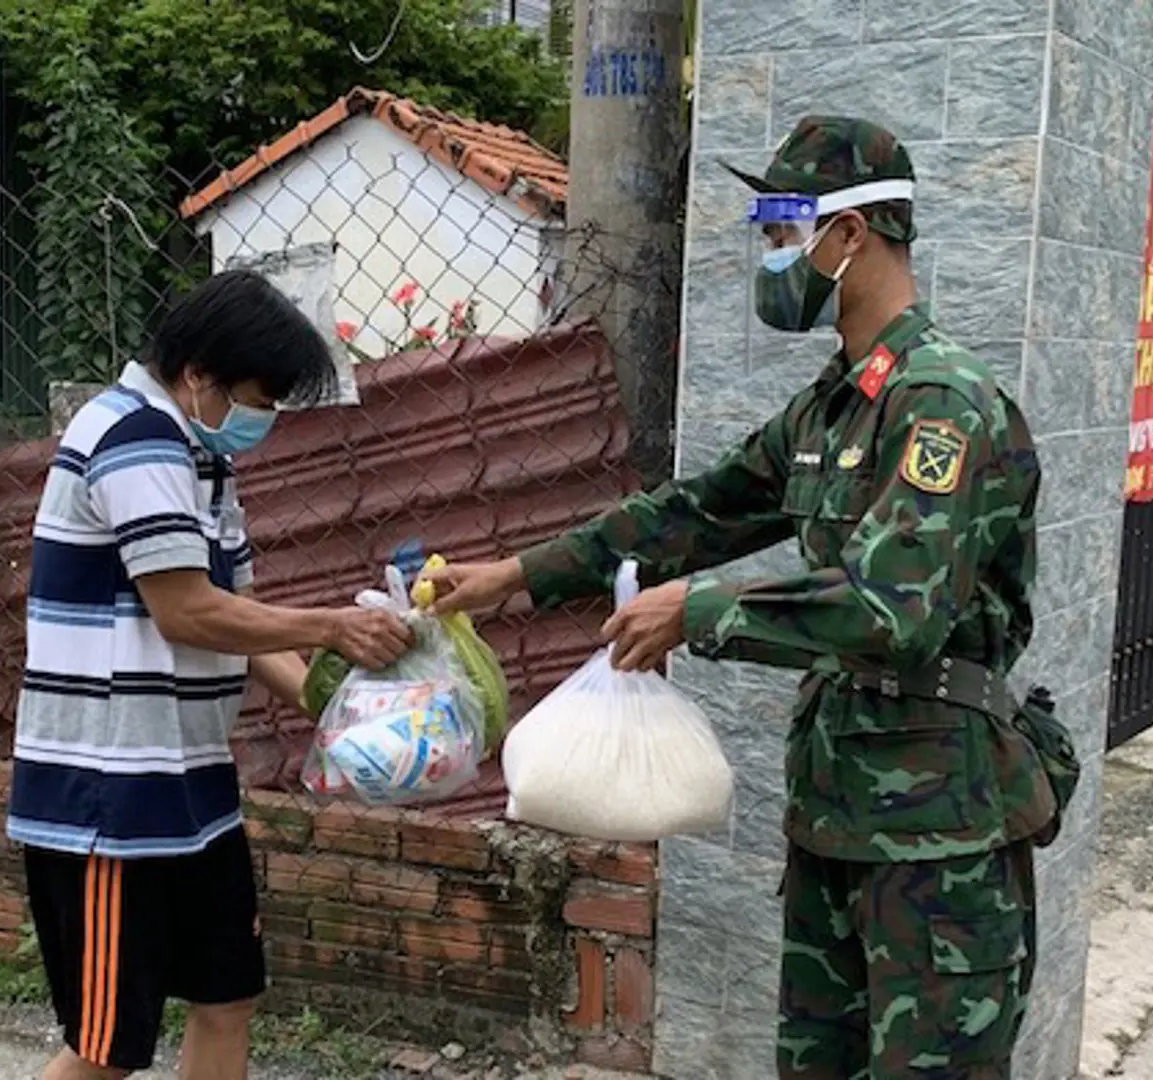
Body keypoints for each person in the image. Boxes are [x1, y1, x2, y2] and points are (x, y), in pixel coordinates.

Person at [425, 117, 1058, 1079]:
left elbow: (893, 612)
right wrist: (515, 576)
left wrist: (698, 611)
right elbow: (696, 513)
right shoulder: (832, 404)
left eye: (779, 232)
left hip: (940, 839)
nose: (770, 258)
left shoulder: (941, 406)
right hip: (836, 819)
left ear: (847, 237)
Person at [6, 269, 413, 1080]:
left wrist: (343, 714)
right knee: (105, 1047)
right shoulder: (135, 440)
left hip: (190, 788)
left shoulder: (201, 461)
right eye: (257, 398)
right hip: (110, 796)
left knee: (227, 996)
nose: (262, 420)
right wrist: (335, 625)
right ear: (199, 374)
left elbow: (241, 620)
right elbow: (188, 612)